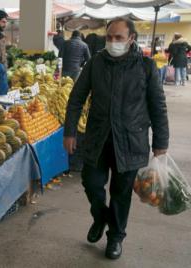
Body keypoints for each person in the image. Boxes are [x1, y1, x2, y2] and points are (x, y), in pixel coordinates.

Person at [64, 18, 169, 260]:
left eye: (118, 38)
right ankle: (100, 217)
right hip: (97, 138)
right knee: (91, 182)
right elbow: (76, 99)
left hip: (131, 141)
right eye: (109, 37)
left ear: (131, 38)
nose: (112, 42)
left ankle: (115, 237)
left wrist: (161, 144)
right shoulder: (95, 63)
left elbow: (158, 107)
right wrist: (70, 132)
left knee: (121, 193)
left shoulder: (146, 66)